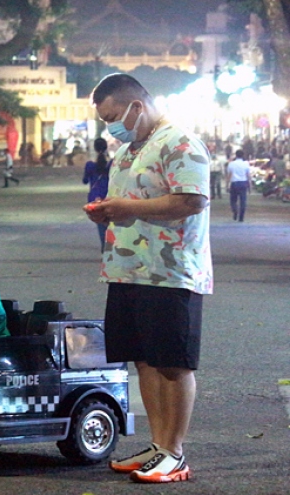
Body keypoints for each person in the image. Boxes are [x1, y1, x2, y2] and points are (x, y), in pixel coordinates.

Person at [86, 73, 212, 484]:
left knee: (172, 363)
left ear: (136, 106)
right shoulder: (129, 148)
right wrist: (107, 208)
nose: (110, 126)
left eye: (112, 116)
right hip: (127, 271)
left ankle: (175, 453)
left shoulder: (179, 142)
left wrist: (128, 207)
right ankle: (159, 445)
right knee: (144, 359)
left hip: (170, 271)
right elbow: (133, 201)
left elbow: (191, 199)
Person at [82, 138, 111, 251]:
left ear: (94, 148)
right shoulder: (111, 164)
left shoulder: (90, 165)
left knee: (100, 224)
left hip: (95, 198)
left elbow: (84, 180)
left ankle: (105, 248)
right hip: (109, 196)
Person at [225, 149, 251, 222]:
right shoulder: (246, 164)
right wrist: (250, 186)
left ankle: (235, 210)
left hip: (234, 183)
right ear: (243, 155)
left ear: (235, 155)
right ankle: (241, 217)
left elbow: (229, 175)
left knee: (233, 200)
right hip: (243, 183)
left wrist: (227, 185)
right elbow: (248, 175)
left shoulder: (231, 164)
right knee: (243, 201)